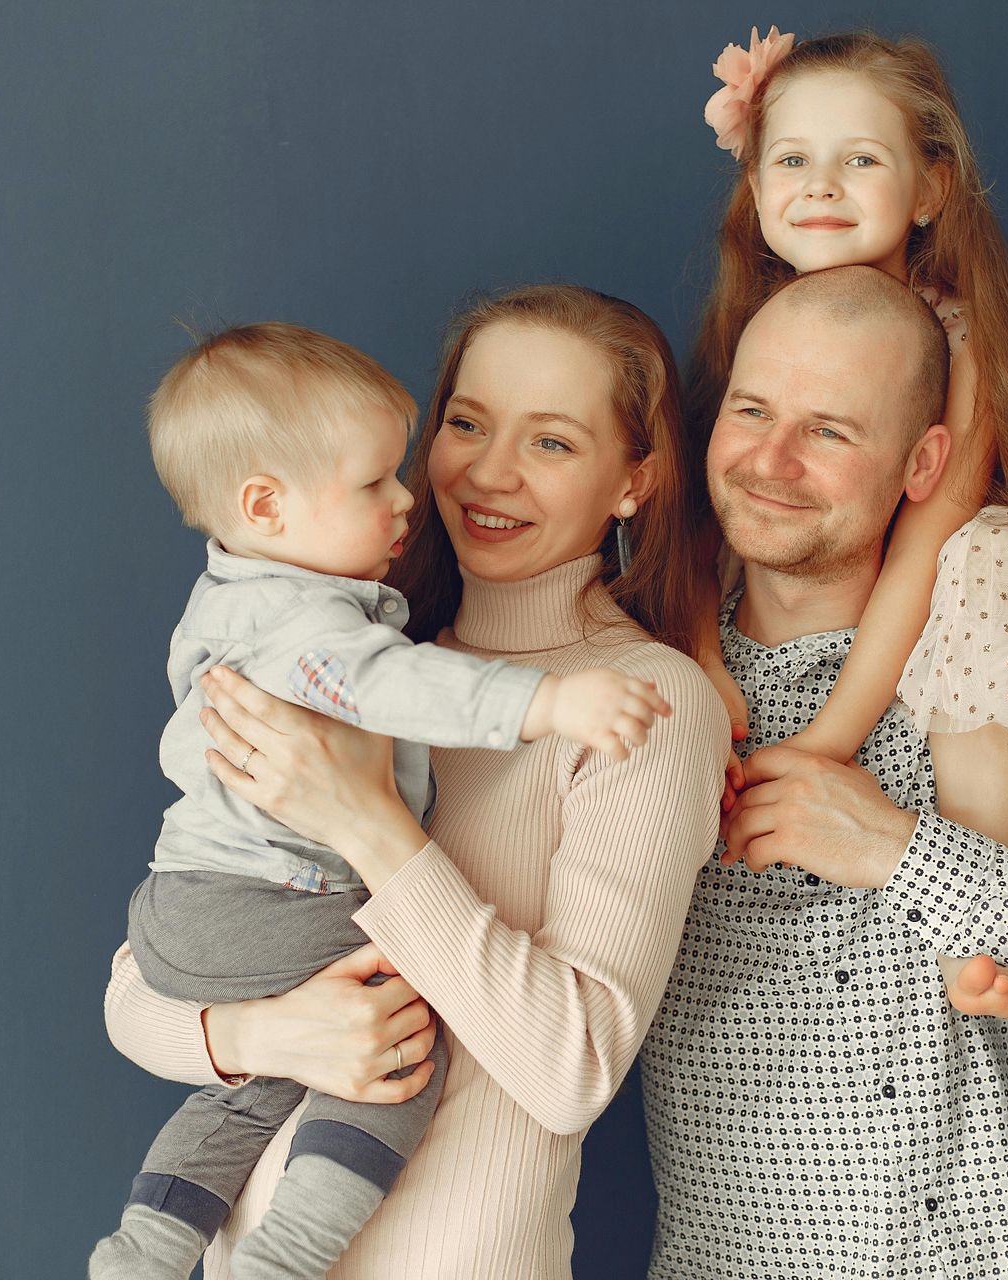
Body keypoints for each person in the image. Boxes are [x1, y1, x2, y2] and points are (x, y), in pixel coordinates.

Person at [100, 286, 730, 1278]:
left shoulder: (646, 701)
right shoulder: (334, 662)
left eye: (552, 442)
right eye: (467, 423)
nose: (487, 471)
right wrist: (272, 1033)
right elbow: (139, 985)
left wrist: (369, 821)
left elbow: (570, 1067)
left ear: (633, 480)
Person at [643, 265, 1008, 1278]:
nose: (770, 459)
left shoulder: (992, 657)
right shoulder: (632, 670)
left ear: (923, 463)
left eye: (830, 430)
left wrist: (898, 848)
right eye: (751, 410)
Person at [689, 27, 1008, 1019]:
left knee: (983, 562)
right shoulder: (755, 319)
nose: (820, 187)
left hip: (943, 585)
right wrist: (700, 654)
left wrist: (835, 742)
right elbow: (700, 528)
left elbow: (931, 543)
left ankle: (977, 901)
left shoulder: (957, 334)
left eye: (859, 159)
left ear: (929, 191)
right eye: (790, 159)